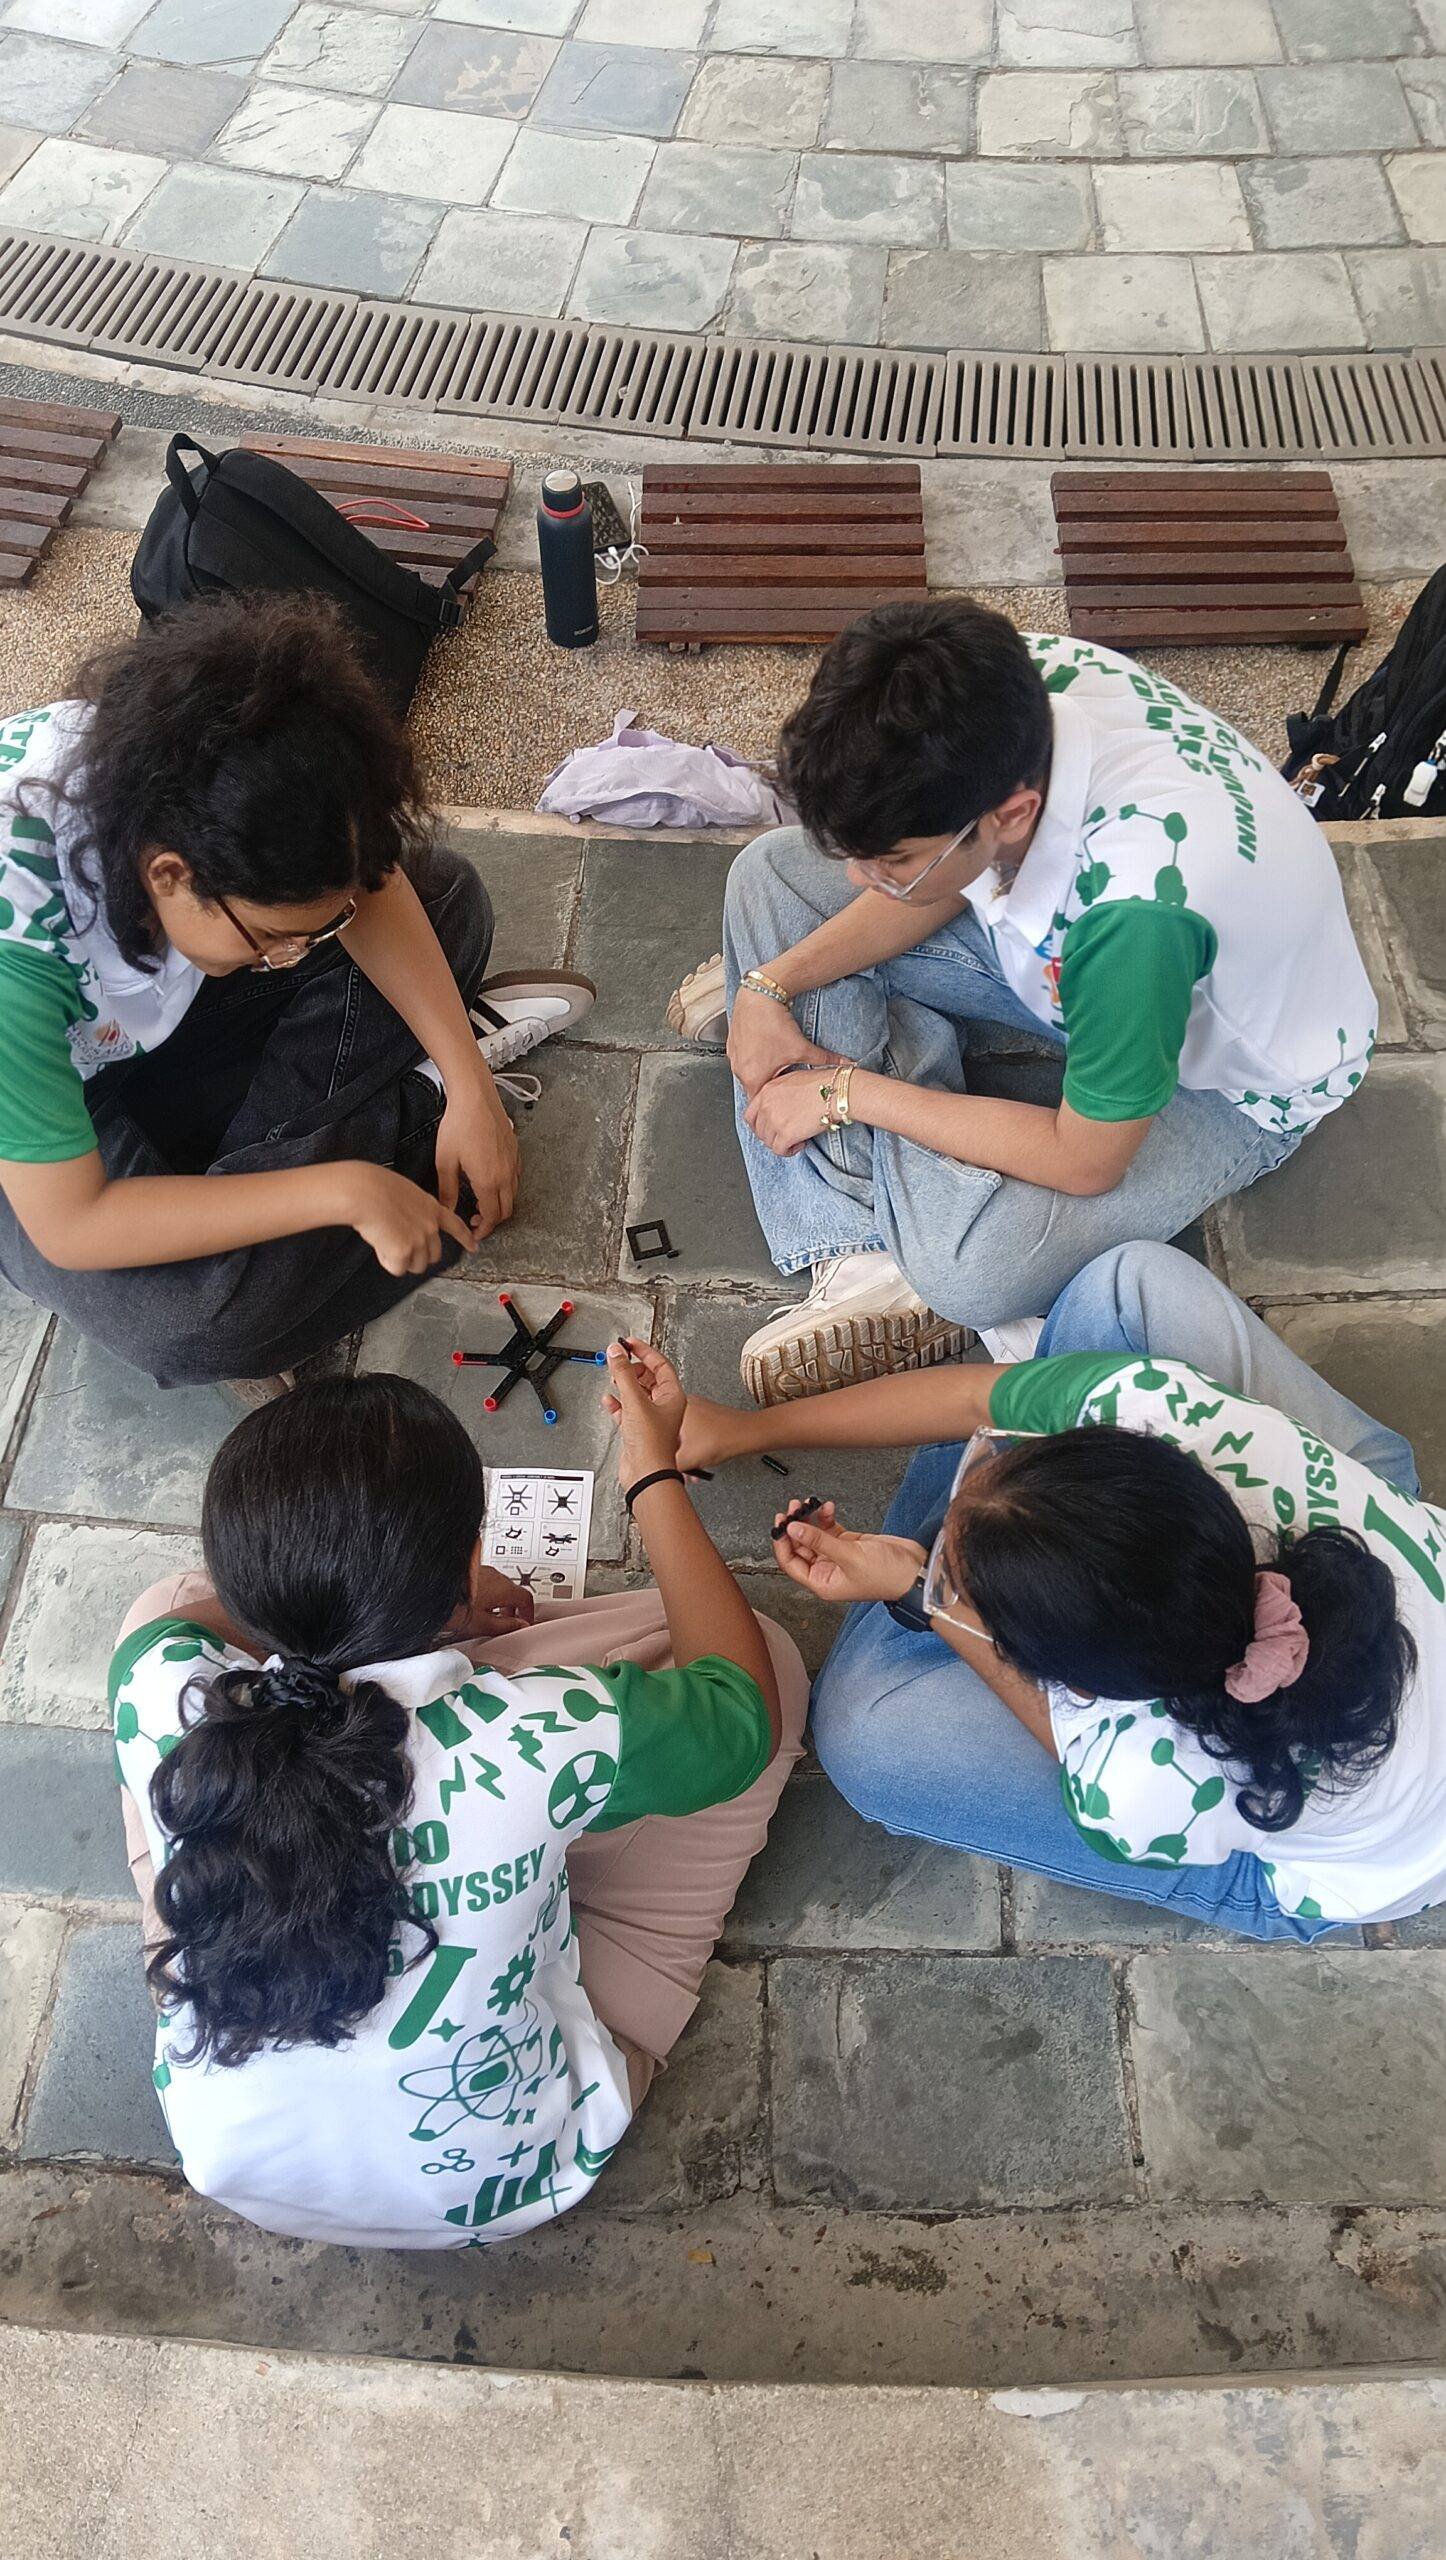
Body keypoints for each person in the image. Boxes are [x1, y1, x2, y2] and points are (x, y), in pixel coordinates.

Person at [111, 1346, 807, 2248]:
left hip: (246, 2167)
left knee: (156, 1607)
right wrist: (651, 1475)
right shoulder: (534, 1734)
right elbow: (739, 1709)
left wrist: (424, 1611)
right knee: (768, 1661)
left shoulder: (165, 1682)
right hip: (518, 2168)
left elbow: (186, 1625)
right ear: (470, 1560)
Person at [668, 601, 1377, 1405]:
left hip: (1226, 1084)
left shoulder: (1132, 921)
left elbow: (1085, 1159)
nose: (862, 880)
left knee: (971, 1270)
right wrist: (769, 985)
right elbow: (952, 874)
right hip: (1078, 958)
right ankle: (871, 1243)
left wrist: (843, 1092)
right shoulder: (994, 687)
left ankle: (875, 1203)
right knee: (769, 872)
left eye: (890, 863)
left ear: (1011, 815)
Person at [674, 1242, 1444, 1939]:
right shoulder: (1171, 1407)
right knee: (1126, 1285)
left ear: (1077, 1685)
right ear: (1142, 1446)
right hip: (1405, 1587)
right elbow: (975, 1401)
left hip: (1374, 1862)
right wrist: (747, 1429)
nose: (975, 1473)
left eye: (963, 1583)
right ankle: (995, 1549)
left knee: (861, 1733)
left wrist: (919, 1592)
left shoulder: (1145, 1785)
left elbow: (1059, 1733)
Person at [0, 593, 594, 1399]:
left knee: (445, 896)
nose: (287, 959)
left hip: (124, 1027)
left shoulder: (182, 755)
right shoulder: (14, 971)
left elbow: (368, 884)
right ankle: (403, 1123)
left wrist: (472, 1088)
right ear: (170, 874)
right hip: (40, 1138)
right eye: (269, 937)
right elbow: (74, 1223)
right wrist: (347, 1191)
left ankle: (299, 1183)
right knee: (197, 1323)